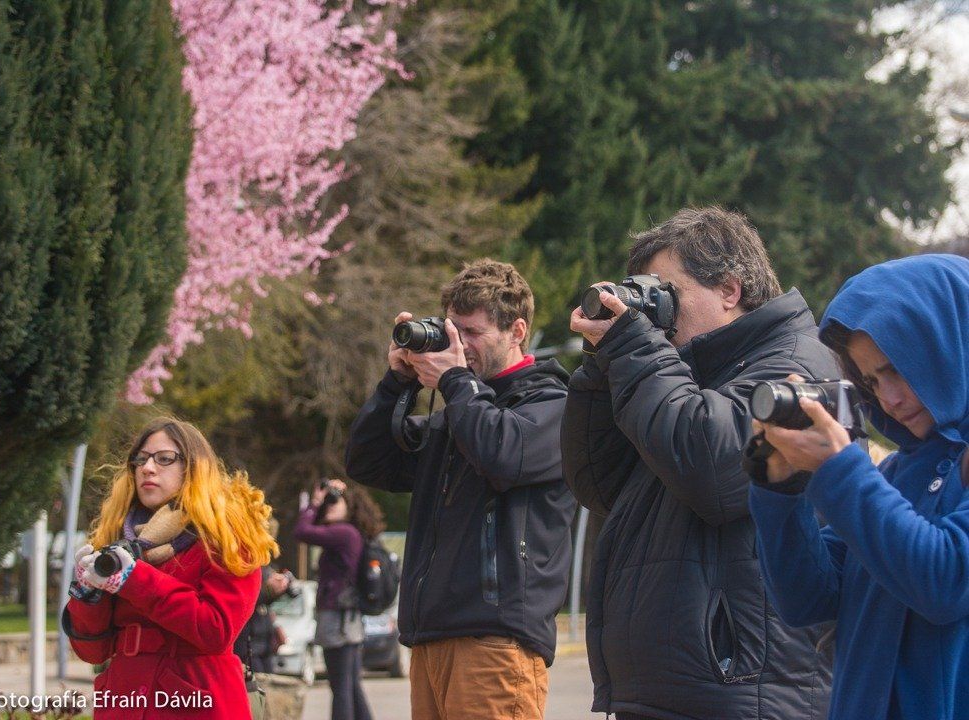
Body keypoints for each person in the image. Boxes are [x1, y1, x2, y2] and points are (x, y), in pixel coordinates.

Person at [562, 207, 834, 720]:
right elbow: (597, 482)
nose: (656, 315)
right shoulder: (680, 376)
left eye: (667, 293)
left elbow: (714, 472)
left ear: (729, 289)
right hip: (671, 690)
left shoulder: (796, 365)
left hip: (742, 691)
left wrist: (634, 348)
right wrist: (602, 366)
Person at [345, 259, 576, 720]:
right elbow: (368, 462)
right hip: (431, 639)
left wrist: (455, 382)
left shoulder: (553, 405)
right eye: (452, 330)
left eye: (472, 332)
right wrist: (397, 383)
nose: (459, 344)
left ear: (517, 331)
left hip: (497, 643)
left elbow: (502, 455)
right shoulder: (457, 414)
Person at [749, 254, 969, 720]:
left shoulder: (868, 479)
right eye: (870, 380)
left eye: (898, 369)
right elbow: (807, 597)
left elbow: (947, 581)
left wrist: (840, 468)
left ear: (949, 345)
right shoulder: (896, 474)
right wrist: (779, 486)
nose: (888, 399)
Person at [63, 417, 278, 720]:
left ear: (194, 468)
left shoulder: (229, 537)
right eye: (140, 460)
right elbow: (93, 652)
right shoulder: (117, 540)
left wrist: (135, 579)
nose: (148, 468)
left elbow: (216, 630)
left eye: (164, 459)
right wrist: (87, 594)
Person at [294, 478, 385, 720]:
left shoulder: (343, 533)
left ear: (350, 506)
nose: (330, 505)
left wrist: (315, 502)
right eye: (328, 502)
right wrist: (323, 502)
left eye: (336, 501)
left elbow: (302, 531)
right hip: (347, 619)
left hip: (338, 619)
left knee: (341, 688)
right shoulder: (350, 534)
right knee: (351, 687)